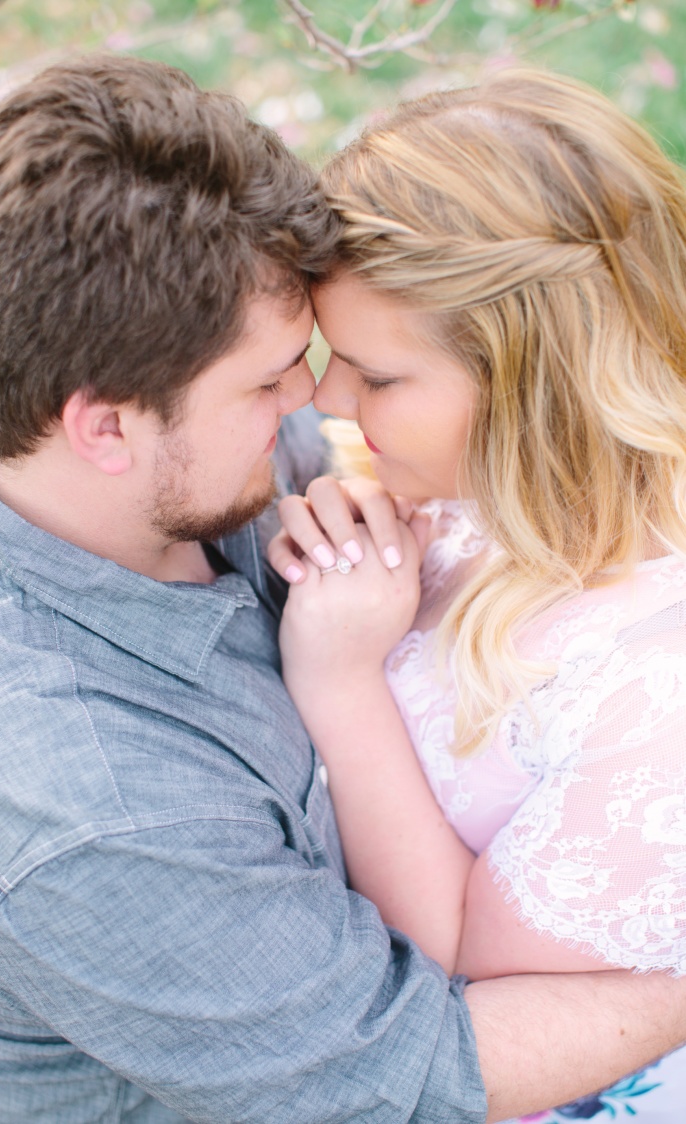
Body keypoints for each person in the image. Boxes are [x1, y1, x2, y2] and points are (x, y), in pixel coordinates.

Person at [0, 53, 685, 1124]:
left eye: (338, 361)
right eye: (270, 378)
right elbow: (411, 1070)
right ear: (102, 424)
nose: (317, 400)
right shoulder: (89, 808)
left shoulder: (97, 466)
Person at [269, 68, 686, 1122]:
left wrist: (339, 676)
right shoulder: (469, 491)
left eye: (375, 373)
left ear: (534, 384)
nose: (325, 399)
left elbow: (457, 983)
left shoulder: (657, 693)